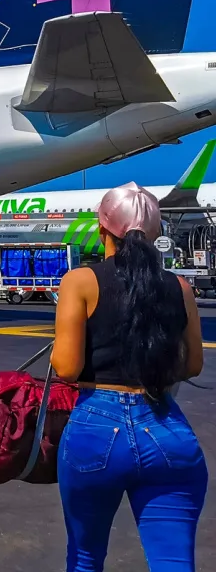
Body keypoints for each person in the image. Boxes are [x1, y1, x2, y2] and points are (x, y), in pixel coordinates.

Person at [51, 182, 206, 572]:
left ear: (102, 228)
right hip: (166, 429)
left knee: (85, 559)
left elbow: (66, 368)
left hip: (96, 428)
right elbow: (192, 365)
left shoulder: (80, 281)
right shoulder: (179, 287)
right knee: (174, 562)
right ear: (156, 234)